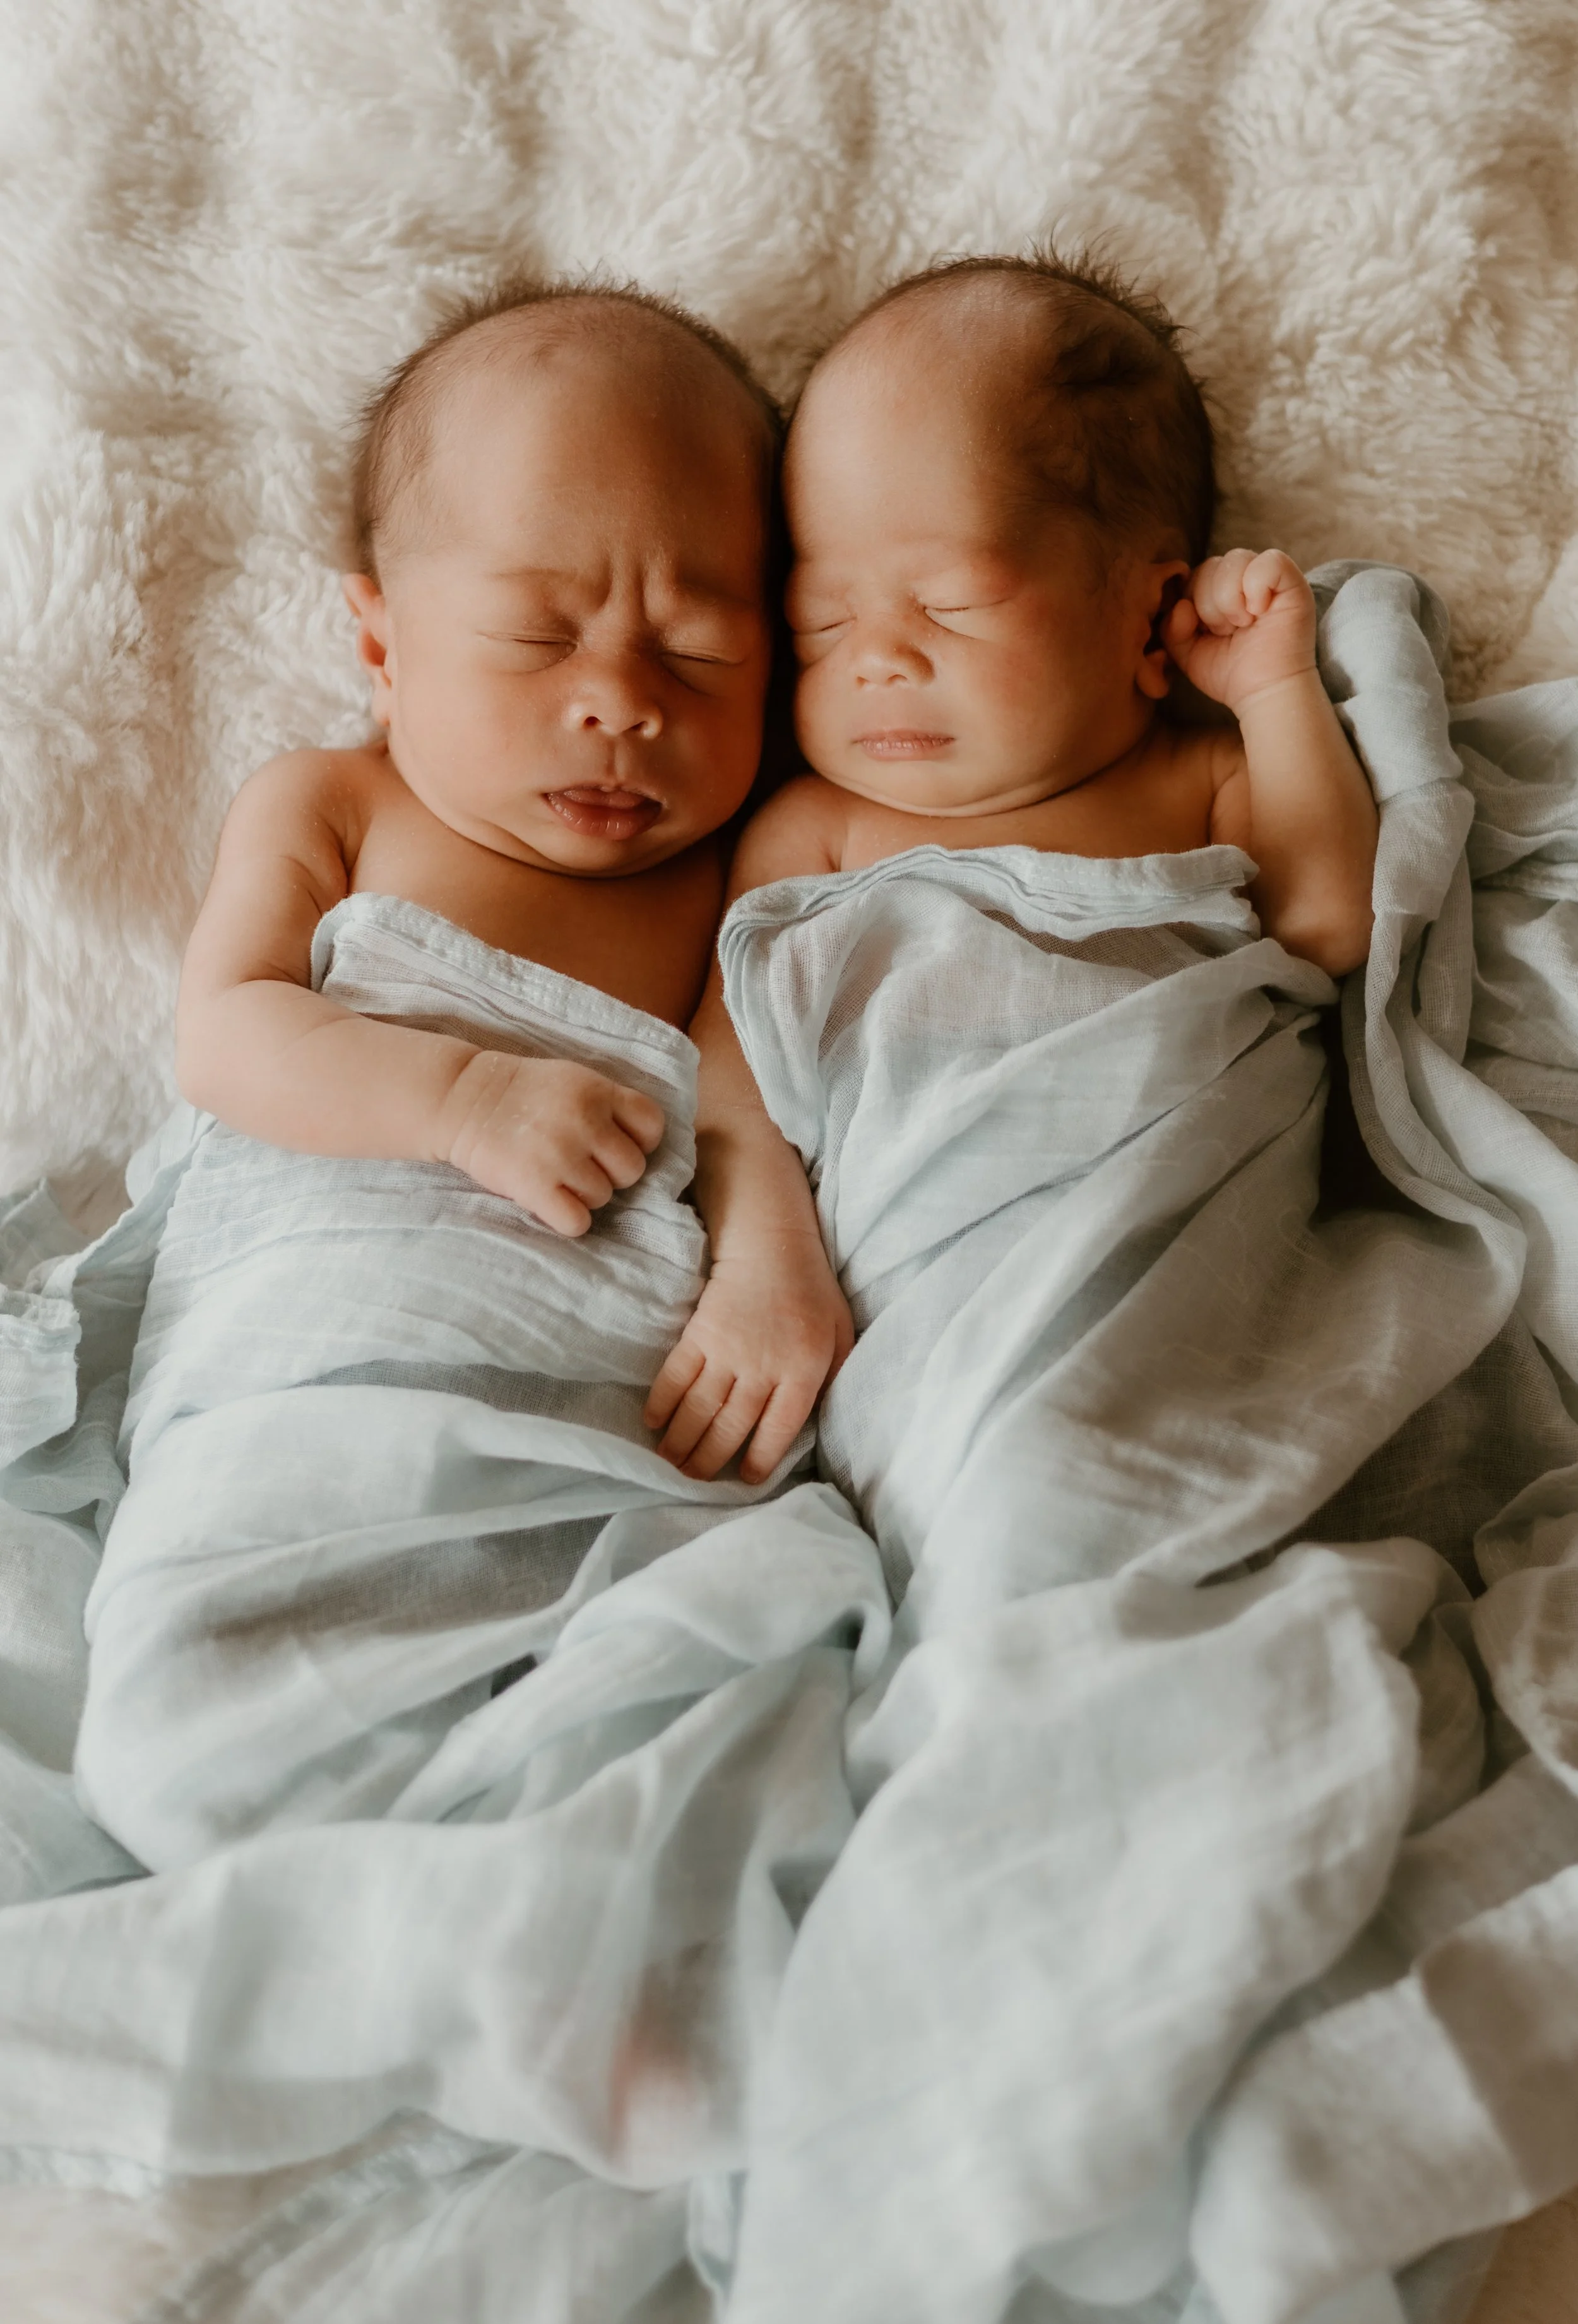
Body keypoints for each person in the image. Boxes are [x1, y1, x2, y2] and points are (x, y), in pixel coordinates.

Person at [647, 249, 1379, 1484]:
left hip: (1193, 1283)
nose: (876, 656)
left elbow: (1327, 925)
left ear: (1146, 616)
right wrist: (764, 1263)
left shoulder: (1197, 784)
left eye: (948, 603)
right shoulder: (817, 830)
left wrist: (1273, 691)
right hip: (933, 1338)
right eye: (823, 621)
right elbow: (736, 1075)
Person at [177, 278, 780, 1239]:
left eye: (698, 651)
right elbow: (222, 1037)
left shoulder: (754, 864)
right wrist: (465, 1101)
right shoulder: (331, 804)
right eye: (536, 637)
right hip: (307, 1280)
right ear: (384, 649)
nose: (622, 702)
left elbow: (764, 1116)